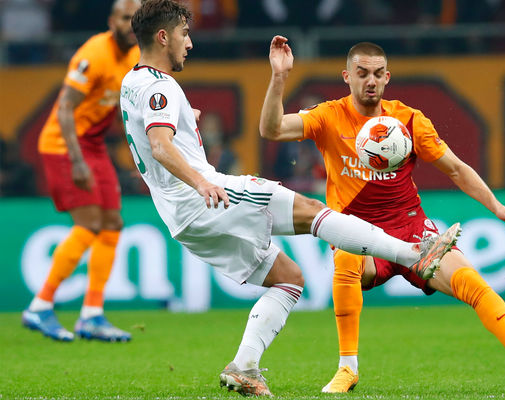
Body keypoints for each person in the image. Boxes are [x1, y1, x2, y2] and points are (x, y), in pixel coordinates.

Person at [120, 1, 460, 396]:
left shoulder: (132, 82)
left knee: (289, 279)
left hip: (179, 216)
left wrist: (185, 118)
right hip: (206, 197)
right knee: (313, 211)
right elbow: (160, 146)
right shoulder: (161, 86)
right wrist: (200, 182)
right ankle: (414, 254)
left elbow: (153, 132)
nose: (189, 43)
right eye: (184, 34)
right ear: (163, 37)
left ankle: (244, 366)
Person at [260, 36, 505, 392]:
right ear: (347, 77)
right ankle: (347, 369)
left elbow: (455, 168)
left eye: (377, 74)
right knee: (346, 258)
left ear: (387, 77)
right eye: (362, 73)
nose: (370, 80)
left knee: (470, 280)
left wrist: (497, 206)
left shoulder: (409, 120)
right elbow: (271, 129)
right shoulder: (328, 116)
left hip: (411, 229)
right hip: (359, 231)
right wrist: (279, 76)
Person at [22, 0, 141, 342]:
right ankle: (40, 305)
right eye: (124, 18)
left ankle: (91, 314)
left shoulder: (135, 56)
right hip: (65, 144)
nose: (130, 25)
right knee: (89, 225)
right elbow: (64, 110)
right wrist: (76, 161)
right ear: (111, 21)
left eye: (136, 19)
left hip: (94, 144)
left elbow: (125, 110)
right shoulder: (94, 54)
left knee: (112, 224)